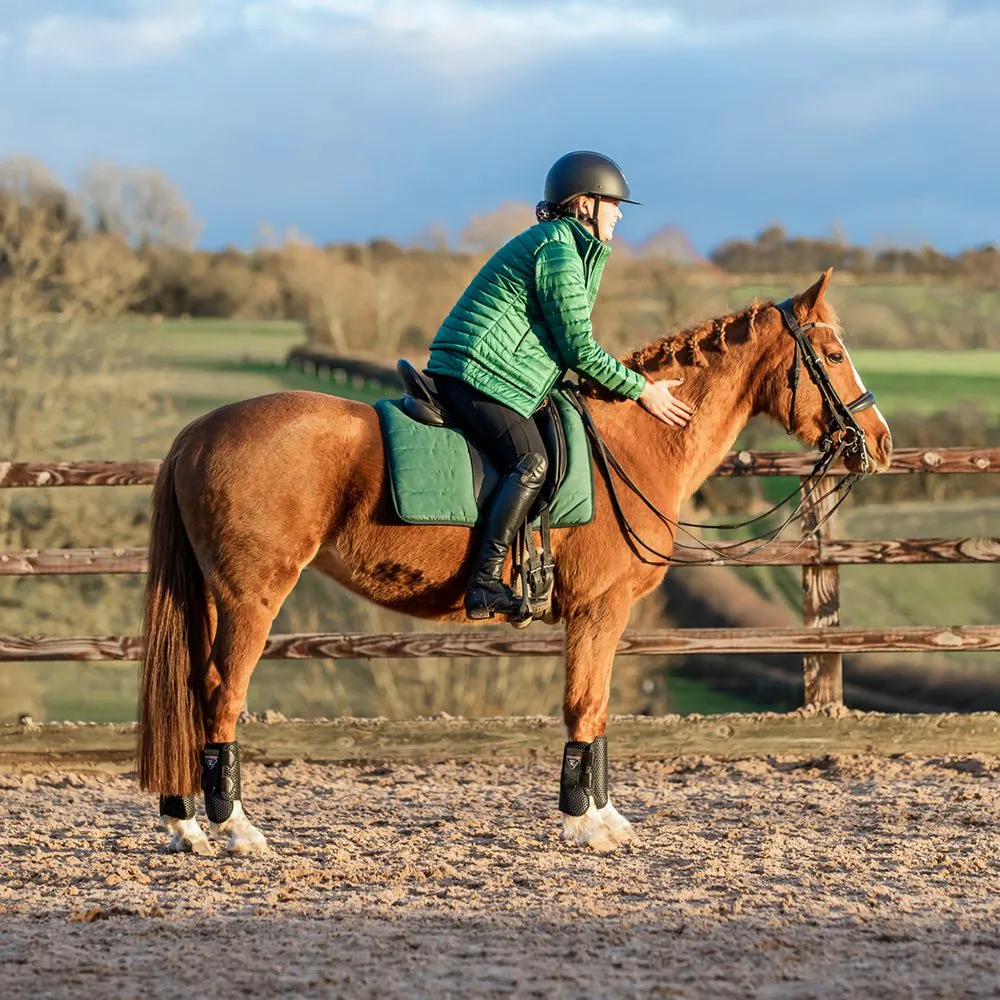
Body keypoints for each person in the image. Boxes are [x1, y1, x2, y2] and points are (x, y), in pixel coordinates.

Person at [427, 150, 694, 620]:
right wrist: (642, 390)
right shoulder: (557, 249)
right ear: (585, 204)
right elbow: (579, 350)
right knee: (530, 462)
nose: (618, 215)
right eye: (613, 204)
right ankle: (484, 583)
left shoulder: (567, 245)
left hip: (498, 375)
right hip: (476, 374)